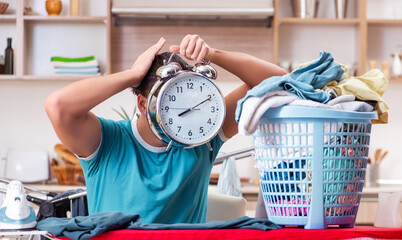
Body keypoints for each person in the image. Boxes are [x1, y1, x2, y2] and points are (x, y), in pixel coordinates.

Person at [45, 34, 286, 224]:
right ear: (142, 104)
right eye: (169, 102)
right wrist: (132, 76)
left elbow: (279, 82)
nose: (183, 112)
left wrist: (213, 54)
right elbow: (57, 106)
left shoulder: (202, 139)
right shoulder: (106, 142)